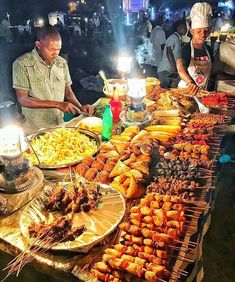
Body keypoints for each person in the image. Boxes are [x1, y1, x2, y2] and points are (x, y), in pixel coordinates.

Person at [12, 25, 93, 133]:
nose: (56, 53)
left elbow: (68, 93)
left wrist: (80, 107)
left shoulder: (61, 63)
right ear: (38, 45)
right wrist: (58, 104)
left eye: (58, 49)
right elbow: (23, 100)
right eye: (51, 49)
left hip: (59, 125)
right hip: (35, 129)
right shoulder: (22, 64)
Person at [176, 2, 213, 96]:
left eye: (205, 30)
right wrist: (191, 83)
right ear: (192, 31)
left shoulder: (209, 50)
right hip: (186, 93)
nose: (203, 34)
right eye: (199, 31)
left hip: (202, 93)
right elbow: (180, 68)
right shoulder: (185, 49)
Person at [158, 20, 187, 88]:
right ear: (178, 28)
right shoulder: (173, 37)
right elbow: (169, 52)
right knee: (164, 93)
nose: (186, 29)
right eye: (184, 27)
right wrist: (174, 68)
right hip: (166, 70)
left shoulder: (178, 39)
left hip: (169, 71)